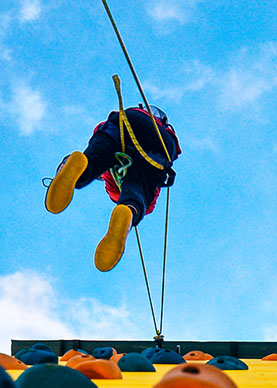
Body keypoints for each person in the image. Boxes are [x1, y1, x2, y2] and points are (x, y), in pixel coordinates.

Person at [45, 104, 181, 271]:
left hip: (125, 122)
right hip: (161, 143)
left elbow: (100, 132)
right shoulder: (166, 131)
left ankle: (75, 170)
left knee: (96, 159)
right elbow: (149, 202)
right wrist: (132, 200)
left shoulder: (109, 177)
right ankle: (129, 211)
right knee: (138, 189)